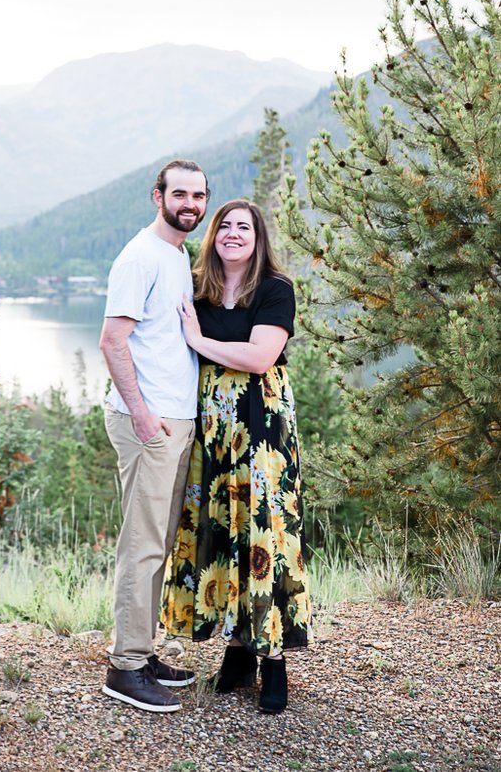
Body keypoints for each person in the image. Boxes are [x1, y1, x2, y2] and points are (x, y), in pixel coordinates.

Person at [162, 198, 310, 714]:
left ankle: (272, 660)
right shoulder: (198, 285)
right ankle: (237, 649)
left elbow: (260, 356)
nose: (232, 233)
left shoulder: (275, 288)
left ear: (258, 237)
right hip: (214, 430)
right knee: (223, 531)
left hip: (262, 432)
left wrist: (198, 339)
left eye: (243, 227)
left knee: (261, 534)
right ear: (214, 235)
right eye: (224, 225)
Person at [97, 158, 208, 713]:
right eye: (180, 193)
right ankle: (126, 668)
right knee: (141, 546)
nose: (190, 203)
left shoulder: (176, 252)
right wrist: (141, 415)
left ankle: (142, 649)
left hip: (174, 420)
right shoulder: (140, 256)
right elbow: (112, 341)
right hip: (150, 423)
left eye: (199, 195)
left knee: (159, 543)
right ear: (157, 195)